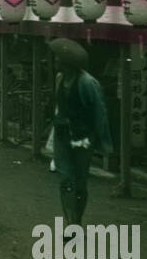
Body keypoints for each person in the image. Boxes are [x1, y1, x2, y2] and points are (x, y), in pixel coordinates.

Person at [48, 39, 114, 228]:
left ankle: (77, 219)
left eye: (58, 59)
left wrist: (103, 140)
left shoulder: (88, 83)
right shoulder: (60, 79)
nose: (55, 62)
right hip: (63, 134)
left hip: (83, 136)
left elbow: (99, 112)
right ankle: (70, 222)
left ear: (67, 63)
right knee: (66, 177)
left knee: (80, 180)